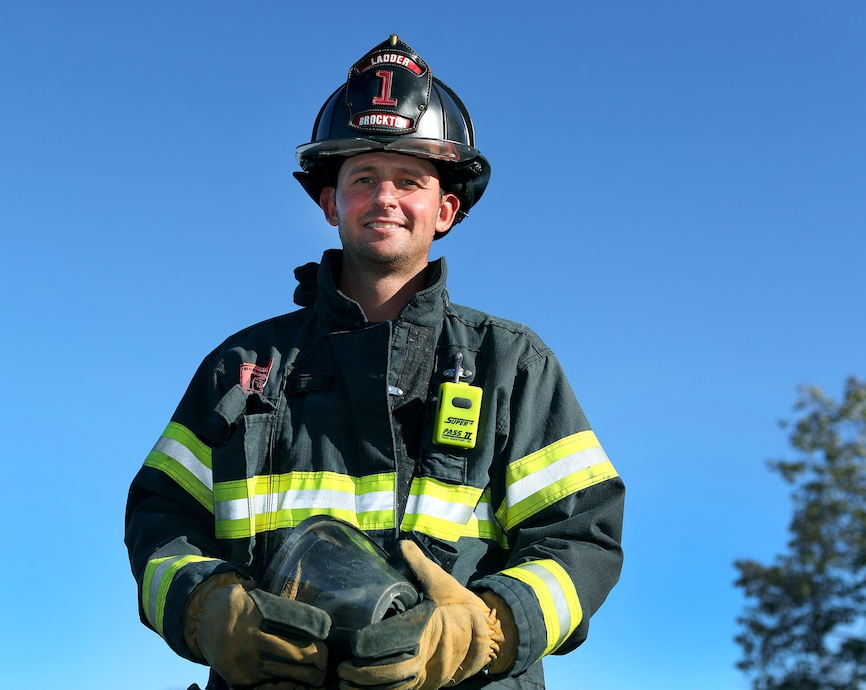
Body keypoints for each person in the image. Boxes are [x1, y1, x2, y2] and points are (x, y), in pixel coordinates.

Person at [125, 34, 625, 690]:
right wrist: (208, 608)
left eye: (411, 180)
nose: (385, 196)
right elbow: (162, 519)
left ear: (445, 209)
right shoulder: (242, 369)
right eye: (363, 178)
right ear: (331, 202)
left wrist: (483, 630)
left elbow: (580, 538)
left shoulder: (513, 367)